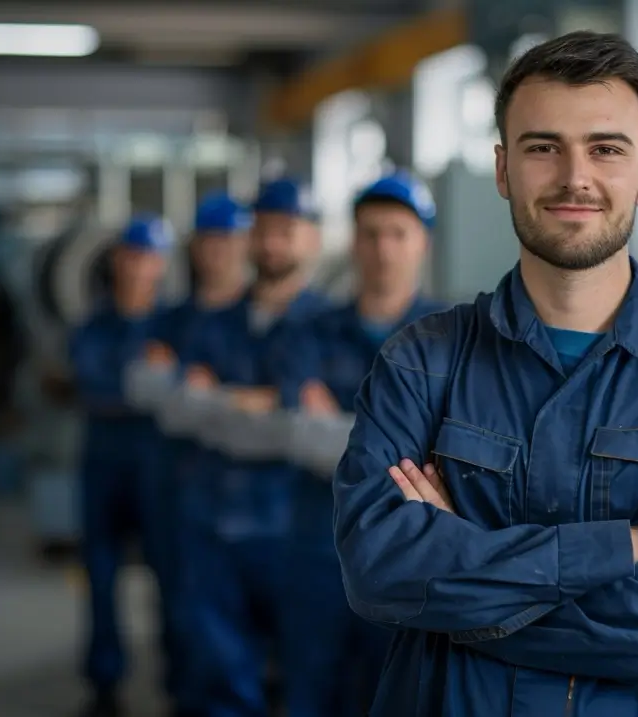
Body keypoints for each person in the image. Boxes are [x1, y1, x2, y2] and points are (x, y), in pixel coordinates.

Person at [332, 31, 638, 717]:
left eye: (605, 148)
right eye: (543, 147)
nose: (574, 177)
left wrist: (463, 581)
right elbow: (380, 572)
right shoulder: (420, 363)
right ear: (503, 169)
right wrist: (626, 546)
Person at [272, 171, 447, 717]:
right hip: (315, 546)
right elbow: (299, 434)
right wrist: (407, 447)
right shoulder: (309, 330)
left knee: (397, 695)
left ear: (423, 243)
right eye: (370, 234)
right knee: (308, 688)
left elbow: (455, 455)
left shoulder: (452, 338)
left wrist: (339, 425)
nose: (383, 248)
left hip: (408, 555)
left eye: (398, 233)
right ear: (352, 242)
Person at [170, 177, 330, 716]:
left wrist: (222, 402)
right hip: (210, 521)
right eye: (262, 229)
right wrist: (271, 409)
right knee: (218, 675)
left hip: (297, 528)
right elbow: (182, 409)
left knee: (308, 679)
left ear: (313, 239)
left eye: (288, 230)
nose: (273, 243)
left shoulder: (329, 328)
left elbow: (312, 428)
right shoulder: (211, 324)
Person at [136, 191, 253, 713]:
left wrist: (198, 394)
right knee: (178, 599)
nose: (219, 252)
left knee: (243, 614)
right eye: (210, 241)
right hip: (175, 480)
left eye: (230, 240)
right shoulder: (172, 318)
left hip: (250, 489)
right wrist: (204, 394)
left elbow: (270, 410)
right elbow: (148, 385)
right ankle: (183, 694)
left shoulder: (259, 318)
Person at [68, 214, 175, 717]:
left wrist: (152, 389)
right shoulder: (92, 327)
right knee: (101, 572)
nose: (138, 268)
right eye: (131, 256)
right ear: (116, 261)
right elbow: (93, 389)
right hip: (103, 468)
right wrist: (154, 386)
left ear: (162, 264)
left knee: (173, 572)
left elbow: (185, 394)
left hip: (159, 469)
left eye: (148, 257)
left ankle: (179, 671)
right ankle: (105, 680)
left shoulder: (174, 326)